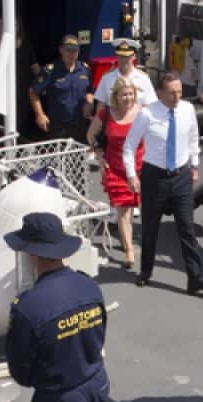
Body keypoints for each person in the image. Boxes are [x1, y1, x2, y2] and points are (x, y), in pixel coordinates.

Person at [4, 214, 110, 402]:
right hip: (96, 384)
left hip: (61, 398)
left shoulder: (29, 307)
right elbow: (99, 336)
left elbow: (21, 372)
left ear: (31, 254)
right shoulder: (88, 286)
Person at [124, 73, 203, 295]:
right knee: (150, 228)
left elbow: (193, 137)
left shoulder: (187, 109)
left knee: (187, 227)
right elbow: (129, 146)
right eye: (171, 92)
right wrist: (131, 175)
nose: (177, 96)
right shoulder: (147, 114)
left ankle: (195, 278)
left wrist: (194, 165)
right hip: (154, 177)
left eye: (179, 91)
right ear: (159, 93)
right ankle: (146, 271)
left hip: (181, 176)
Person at [87, 77, 143, 269]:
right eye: (124, 95)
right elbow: (91, 135)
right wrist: (99, 156)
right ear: (116, 96)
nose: (128, 98)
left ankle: (130, 242)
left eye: (131, 94)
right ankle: (129, 249)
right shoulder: (106, 114)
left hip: (140, 167)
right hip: (115, 168)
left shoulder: (142, 113)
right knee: (123, 209)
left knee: (133, 206)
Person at [28, 35, 94, 143]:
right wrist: (39, 115)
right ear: (61, 50)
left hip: (81, 125)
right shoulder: (50, 71)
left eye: (74, 51)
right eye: (68, 50)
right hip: (58, 127)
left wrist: (89, 103)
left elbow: (90, 90)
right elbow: (33, 91)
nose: (71, 54)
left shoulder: (85, 69)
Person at [94, 38, 156, 109]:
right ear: (116, 56)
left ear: (134, 57)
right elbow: (101, 105)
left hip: (137, 115)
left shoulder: (143, 78)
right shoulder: (107, 78)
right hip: (113, 115)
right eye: (121, 56)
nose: (124, 60)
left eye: (127, 56)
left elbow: (150, 105)